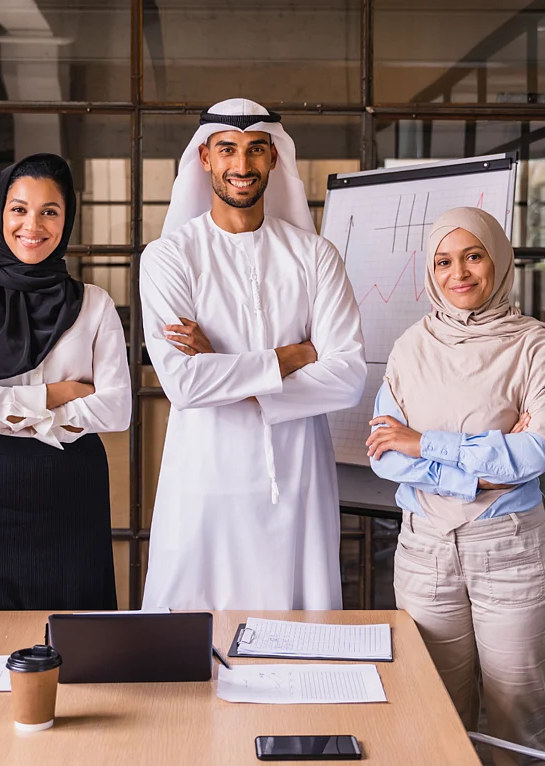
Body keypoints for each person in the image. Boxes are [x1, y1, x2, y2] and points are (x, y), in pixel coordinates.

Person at [139, 98, 366, 611]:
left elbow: (348, 377)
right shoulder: (168, 257)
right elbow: (184, 384)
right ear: (205, 158)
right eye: (227, 150)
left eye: (255, 150)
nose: (241, 165)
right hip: (205, 481)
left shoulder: (315, 255)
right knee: (193, 639)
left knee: (301, 635)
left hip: (298, 479)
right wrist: (295, 354)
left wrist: (221, 367)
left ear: (274, 157)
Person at [366, 207, 545, 765]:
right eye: (443, 261)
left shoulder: (536, 344)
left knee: (519, 726)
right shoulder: (411, 346)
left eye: (473, 256)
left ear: (497, 259)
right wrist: (482, 466)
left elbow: (535, 452)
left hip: (510, 552)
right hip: (424, 552)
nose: (458, 273)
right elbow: (386, 455)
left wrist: (424, 442)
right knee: (435, 722)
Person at [0, 153, 131, 611]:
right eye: (19, 209)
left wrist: (0, 401)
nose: (32, 225)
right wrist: (59, 393)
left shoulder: (93, 304)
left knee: (77, 629)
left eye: (49, 211)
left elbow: (116, 410)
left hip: (74, 485)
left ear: (66, 219)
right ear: (0, 213)